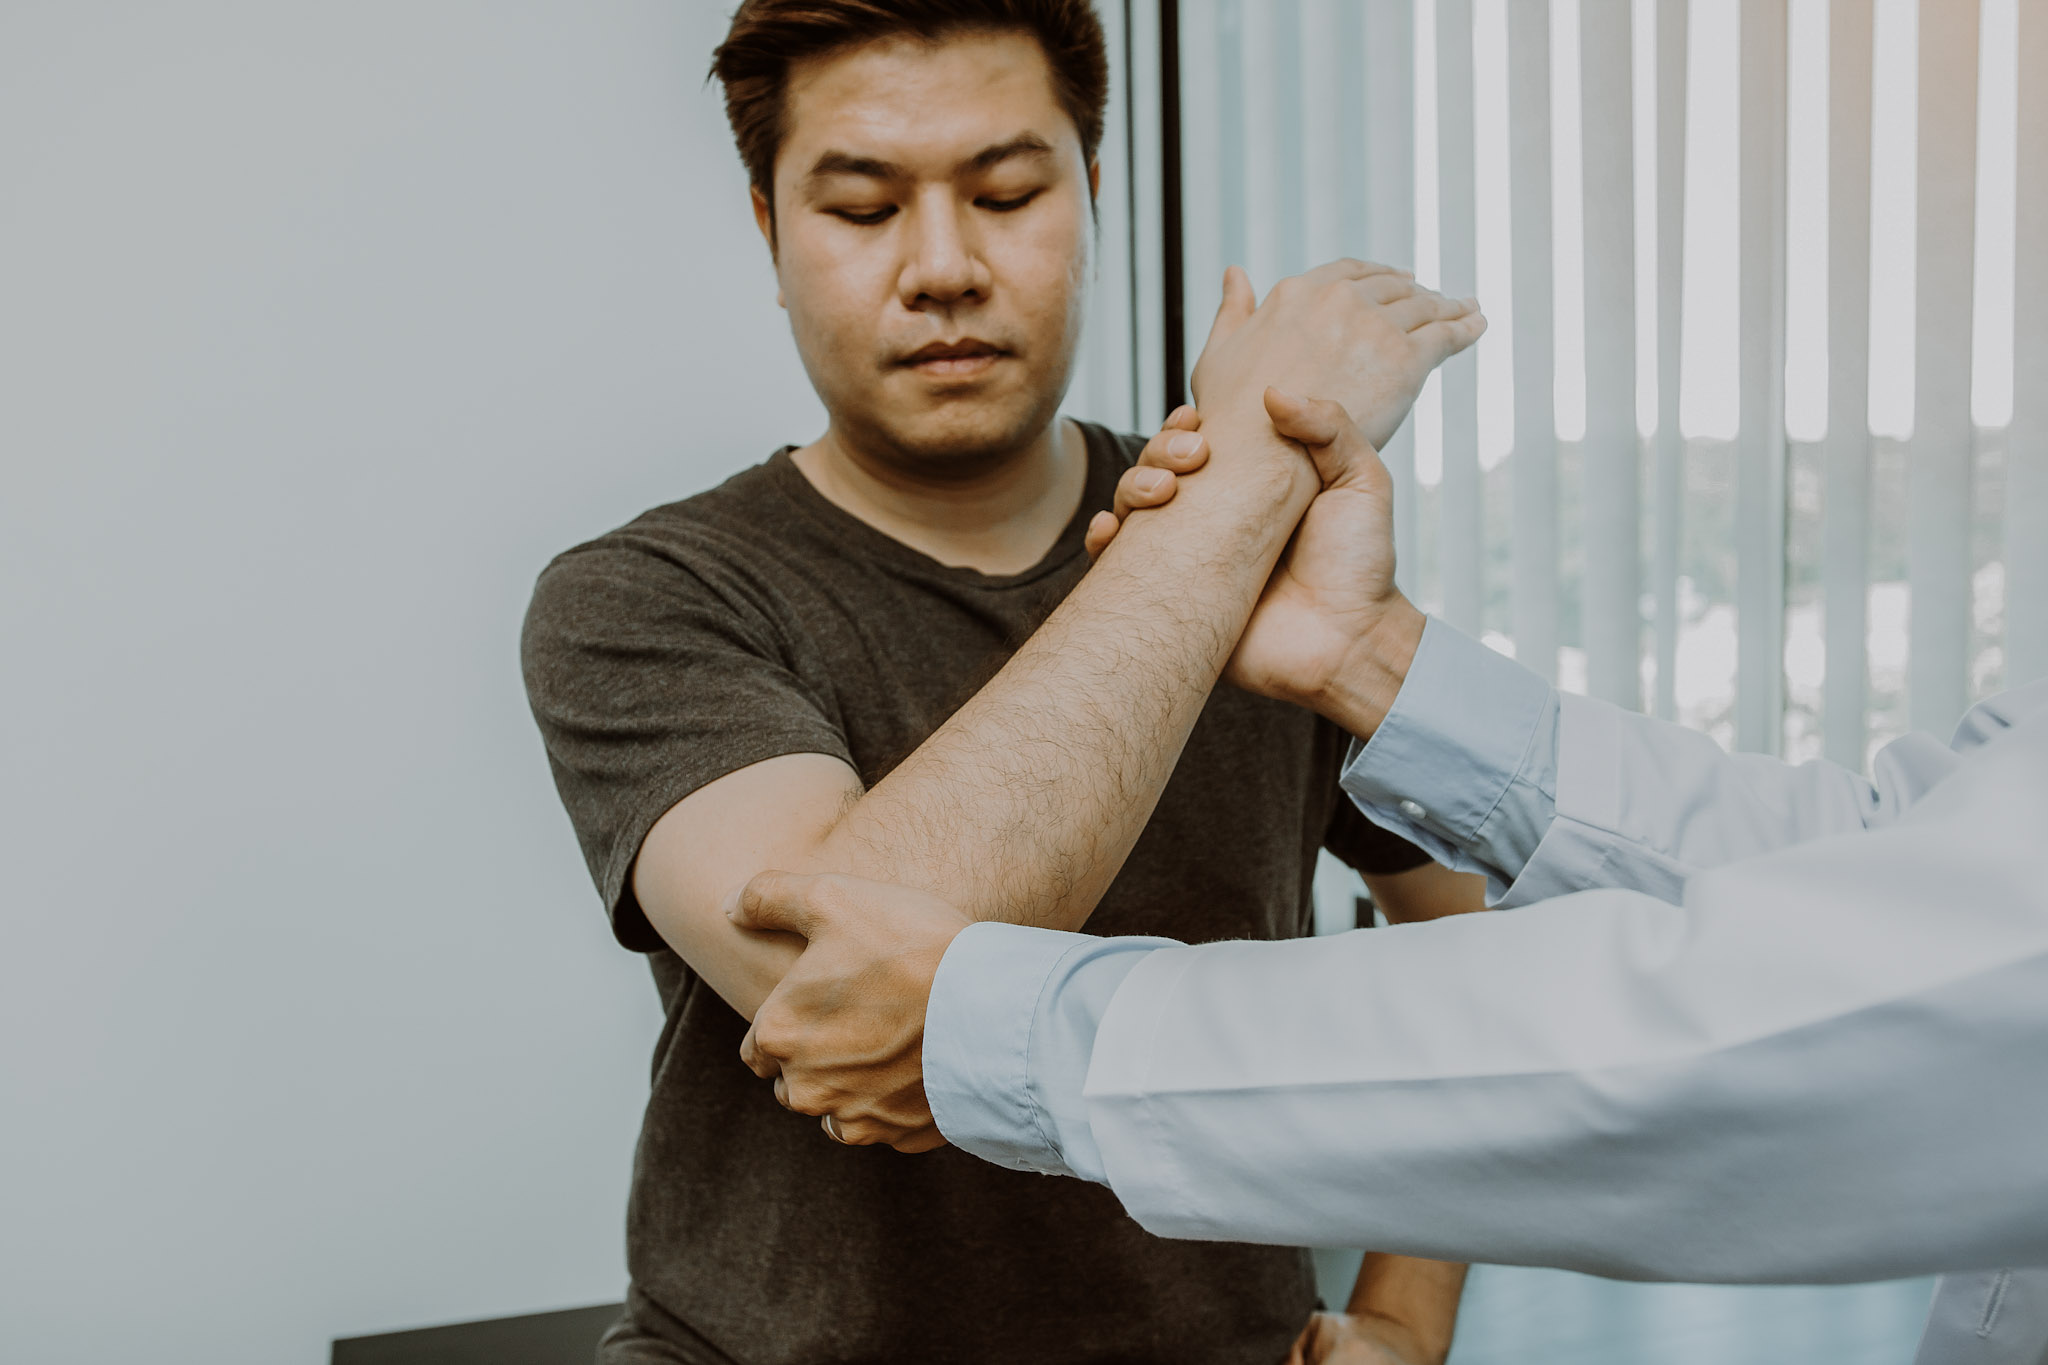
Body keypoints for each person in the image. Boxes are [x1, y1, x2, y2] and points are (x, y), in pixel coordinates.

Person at [519, 1, 1492, 1360]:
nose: (943, 267)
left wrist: (1405, 1315)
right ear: (769, 231)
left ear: (1090, 195)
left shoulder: (1253, 557)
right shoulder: (651, 597)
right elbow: (868, 996)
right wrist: (1236, 498)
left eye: (1007, 192)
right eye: (861, 208)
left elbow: (1470, 937)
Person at [729, 395, 2048, 1365]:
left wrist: (1022, 1029)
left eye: (1008, 188)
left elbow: (1750, 1026)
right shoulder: (678, 582)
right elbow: (1879, 864)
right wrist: (1371, 657)